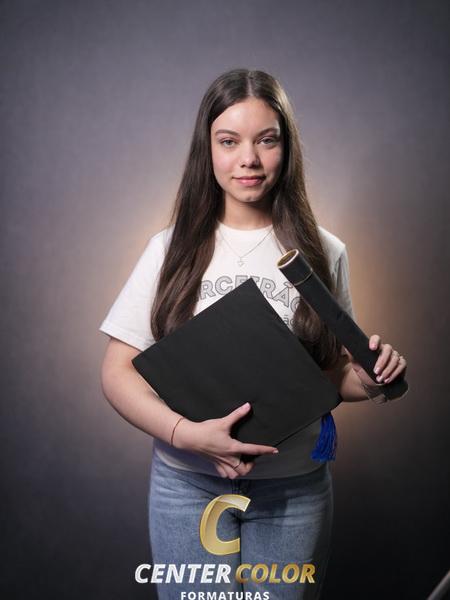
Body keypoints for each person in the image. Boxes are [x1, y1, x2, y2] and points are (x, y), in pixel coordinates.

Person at [99, 68, 407, 599]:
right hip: (187, 484)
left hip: (293, 490)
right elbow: (116, 372)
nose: (249, 158)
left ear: (287, 148)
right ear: (207, 149)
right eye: (229, 141)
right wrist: (184, 434)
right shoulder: (169, 249)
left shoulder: (324, 252)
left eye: (267, 140)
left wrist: (369, 378)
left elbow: (330, 376)